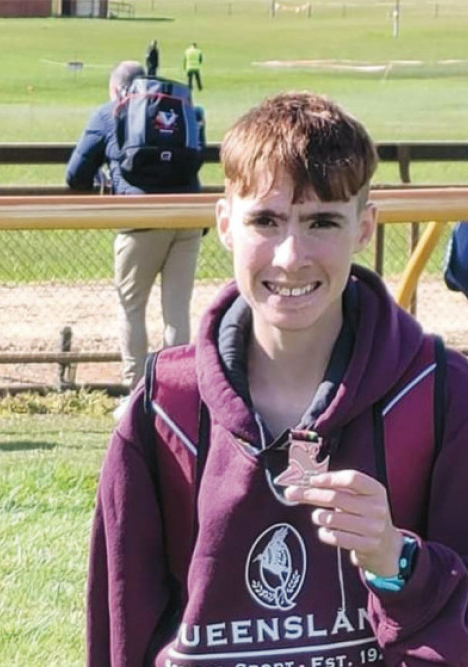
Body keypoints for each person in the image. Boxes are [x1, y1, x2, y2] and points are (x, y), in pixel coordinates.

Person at [87, 91, 468, 665]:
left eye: (323, 221)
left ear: (365, 227)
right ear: (224, 224)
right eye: (266, 220)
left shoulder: (441, 395)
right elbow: (122, 627)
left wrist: (397, 563)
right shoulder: (165, 407)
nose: (291, 256)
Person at [65, 60, 203, 402]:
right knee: (176, 309)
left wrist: (102, 177)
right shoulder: (182, 109)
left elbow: (75, 174)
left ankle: (137, 393)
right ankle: (178, 393)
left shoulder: (108, 112)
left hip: (139, 219)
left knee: (131, 306)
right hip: (187, 218)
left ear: (116, 89)